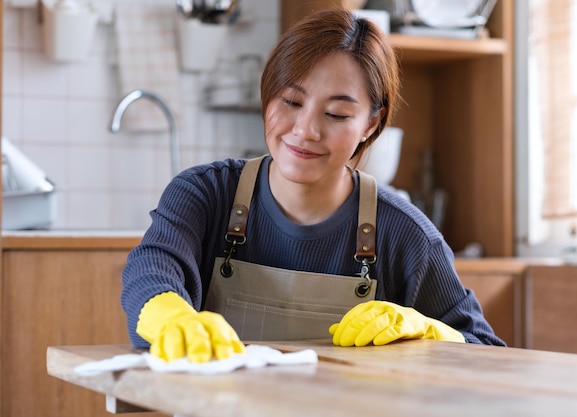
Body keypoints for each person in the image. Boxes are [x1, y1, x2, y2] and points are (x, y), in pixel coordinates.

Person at [121, 9, 505, 364]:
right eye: (291, 101)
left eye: (337, 114)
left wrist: (431, 333)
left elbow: (488, 354)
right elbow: (151, 271)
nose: (305, 131)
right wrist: (171, 316)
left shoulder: (406, 235)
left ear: (371, 124)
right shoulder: (205, 195)